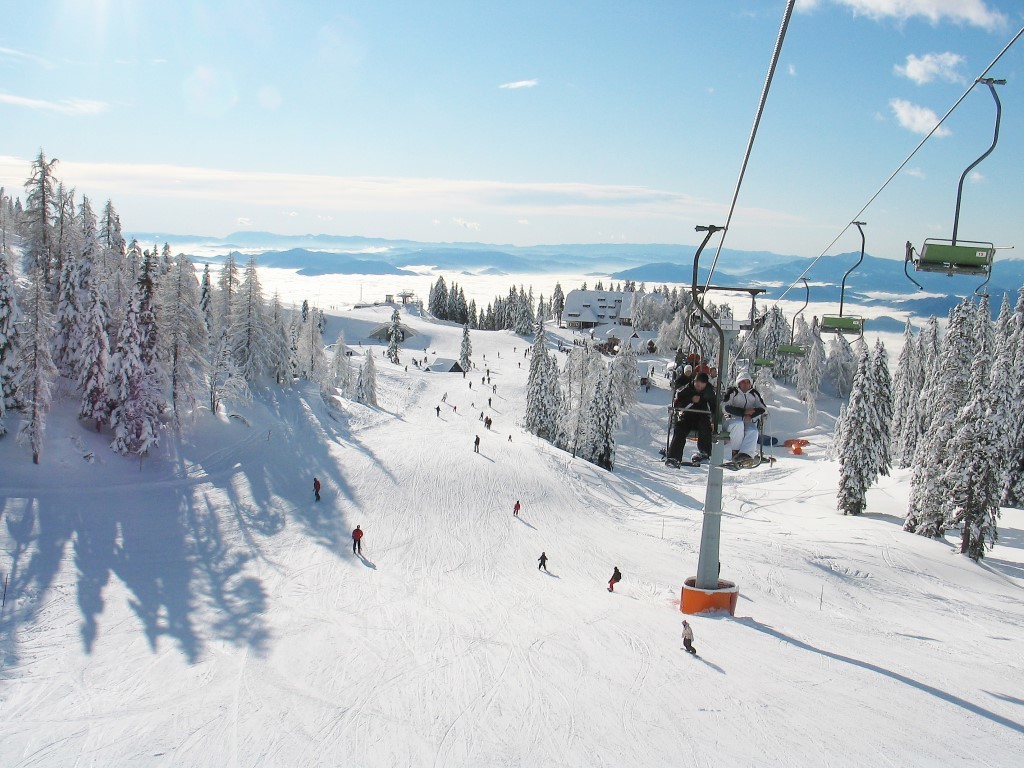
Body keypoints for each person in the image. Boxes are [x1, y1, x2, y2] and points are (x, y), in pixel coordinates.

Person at [667, 372, 717, 464]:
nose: (698, 385)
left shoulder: (709, 393)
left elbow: (714, 408)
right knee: (680, 428)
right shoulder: (686, 390)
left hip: (702, 417)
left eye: (701, 383)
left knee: (705, 426)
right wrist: (690, 400)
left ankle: (704, 452)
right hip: (687, 417)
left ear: (705, 384)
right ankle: (674, 456)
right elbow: (677, 405)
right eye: (697, 382)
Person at [721, 371, 767, 463]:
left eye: (747, 382)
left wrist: (752, 414)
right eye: (743, 382)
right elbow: (725, 407)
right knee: (738, 424)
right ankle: (736, 452)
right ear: (739, 383)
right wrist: (743, 412)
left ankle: (746, 454)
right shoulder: (733, 392)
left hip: (747, 421)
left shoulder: (754, 394)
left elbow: (763, 408)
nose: (745, 384)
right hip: (731, 421)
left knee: (753, 430)